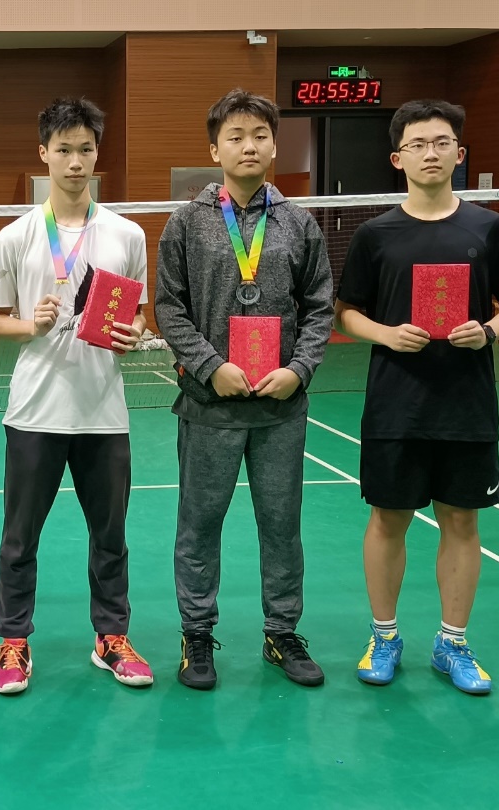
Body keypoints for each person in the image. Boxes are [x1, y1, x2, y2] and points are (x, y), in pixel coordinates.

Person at [335, 99, 499, 695]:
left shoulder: (487, 228)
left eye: (441, 142)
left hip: (466, 403)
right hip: (395, 403)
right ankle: (385, 637)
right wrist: (386, 334)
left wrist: (488, 331)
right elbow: (346, 313)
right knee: (387, 519)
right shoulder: (375, 235)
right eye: (417, 144)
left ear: (459, 153)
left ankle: (453, 643)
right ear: (398, 158)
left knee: (462, 519)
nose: (430, 153)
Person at [154, 89, 334, 691]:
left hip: (281, 409)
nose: (248, 146)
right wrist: (209, 367)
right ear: (215, 150)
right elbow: (168, 307)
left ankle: (281, 632)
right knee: (199, 526)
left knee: (281, 527)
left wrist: (299, 370)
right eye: (235, 136)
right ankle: (196, 634)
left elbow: (320, 308)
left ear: (274, 145)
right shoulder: (187, 222)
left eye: (259, 135)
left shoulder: (299, 223)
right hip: (210, 407)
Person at [0, 97, 152, 696]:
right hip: (35, 411)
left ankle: (111, 637)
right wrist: (27, 325)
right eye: (63, 150)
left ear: (96, 153)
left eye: (85, 150)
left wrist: (134, 335)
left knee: (110, 537)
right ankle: (13, 641)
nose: (75, 162)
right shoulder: (16, 236)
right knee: (19, 539)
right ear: (44, 154)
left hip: (103, 413)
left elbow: (137, 315)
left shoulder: (127, 235)